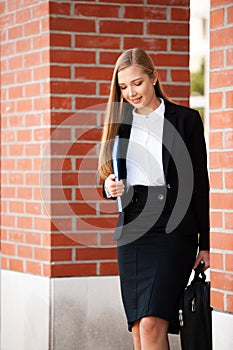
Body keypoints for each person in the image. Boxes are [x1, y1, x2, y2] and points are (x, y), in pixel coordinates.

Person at [98, 48, 210, 350]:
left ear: (154, 78)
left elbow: (200, 185)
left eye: (138, 83)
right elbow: (109, 177)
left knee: (151, 324)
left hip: (173, 227)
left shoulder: (185, 120)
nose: (131, 92)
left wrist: (206, 244)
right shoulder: (119, 124)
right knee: (139, 329)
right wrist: (109, 187)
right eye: (123, 87)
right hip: (132, 228)